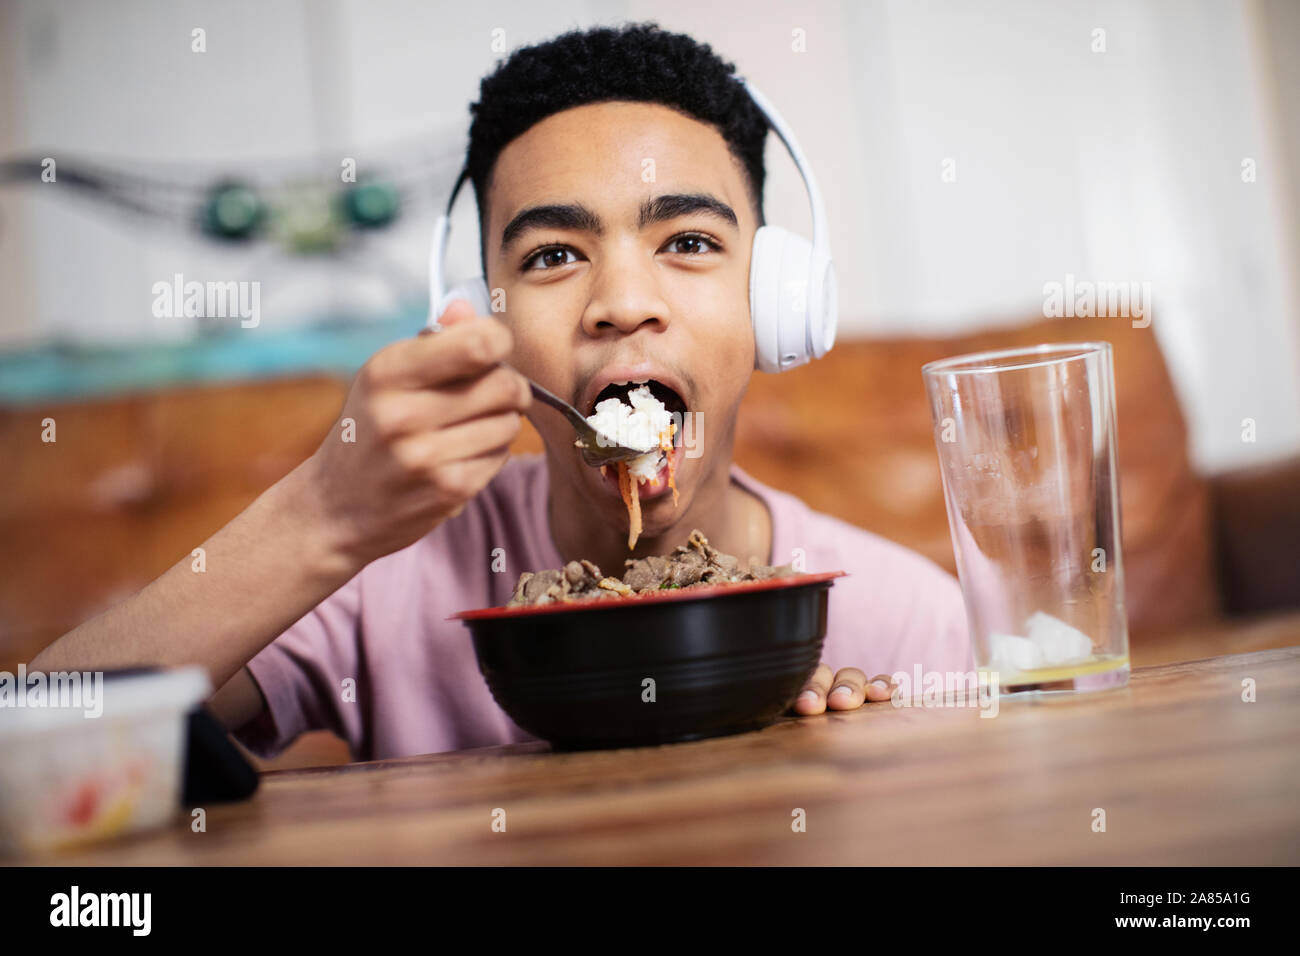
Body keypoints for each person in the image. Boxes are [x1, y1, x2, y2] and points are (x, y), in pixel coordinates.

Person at [33, 23, 971, 761]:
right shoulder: (384, 579)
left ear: (777, 298)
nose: (623, 303)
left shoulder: (909, 617)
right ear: (479, 320)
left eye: (687, 242)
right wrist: (321, 518)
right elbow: (31, 741)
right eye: (554, 256)